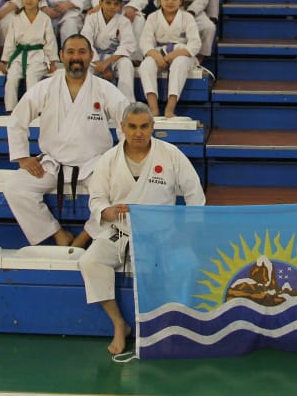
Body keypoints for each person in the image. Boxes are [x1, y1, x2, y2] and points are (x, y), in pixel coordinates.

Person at [79, 102, 206, 356]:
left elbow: (195, 195)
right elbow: (96, 198)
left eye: (144, 126)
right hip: (120, 234)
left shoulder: (170, 154)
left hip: (163, 236)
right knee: (90, 262)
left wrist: (187, 233)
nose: (139, 132)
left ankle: (172, 325)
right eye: (133, 127)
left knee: (188, 265)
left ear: (153, 127)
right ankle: (119, 324)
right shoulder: (109, 160)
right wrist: (107, 211)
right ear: (123, 128)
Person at [4, 33, 130, 247]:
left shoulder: (104, 89)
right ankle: (57, 233)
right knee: (15, 187)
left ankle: (84, 236)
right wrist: (23, 157)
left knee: (122, 196)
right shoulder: (45, 88)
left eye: (82, 52)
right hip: (54, 164)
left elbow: (127, 121)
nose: (76, 57)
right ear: (61, 55)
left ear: (91, 55)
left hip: (94, 165)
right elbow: (17, 119)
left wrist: (120, 160)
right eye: (70, 52)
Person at [139, 0, 201, 117]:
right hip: (159, 53)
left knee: (179, 64)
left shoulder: (187, 17)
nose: (170, 2)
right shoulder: (153, 17)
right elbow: (145, 42)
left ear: (181, 0)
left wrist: (171, 56)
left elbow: (195, 44)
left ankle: (170, 108)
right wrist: (156, 56)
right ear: (159, 0)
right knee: (146, 65)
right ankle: (153, 108)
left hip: (182, 54)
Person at [0, 0, 59, 112]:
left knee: (32, 76)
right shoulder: (15, 18)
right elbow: (10, 41)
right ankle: (11, 109)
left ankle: (33, 109)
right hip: (19, 55)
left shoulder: (45, 19)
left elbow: (50, 41)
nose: (29, 0)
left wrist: (52, 61)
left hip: (38, 56)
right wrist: (5, 61)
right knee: (12, 77)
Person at [81, 0, 137, 100]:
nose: (112, 6)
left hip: (114, 57)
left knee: (126, 64)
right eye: (108, 3)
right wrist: (99, 63)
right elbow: (86, 42)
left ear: (121, 6)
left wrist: (106, 63)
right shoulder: (91, 19)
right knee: (85, 68)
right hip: (94, 57)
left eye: (116, 4)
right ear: (100, 3)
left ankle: (126, 102)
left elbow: (126, 45)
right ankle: (84, 101)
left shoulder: (123, 21)